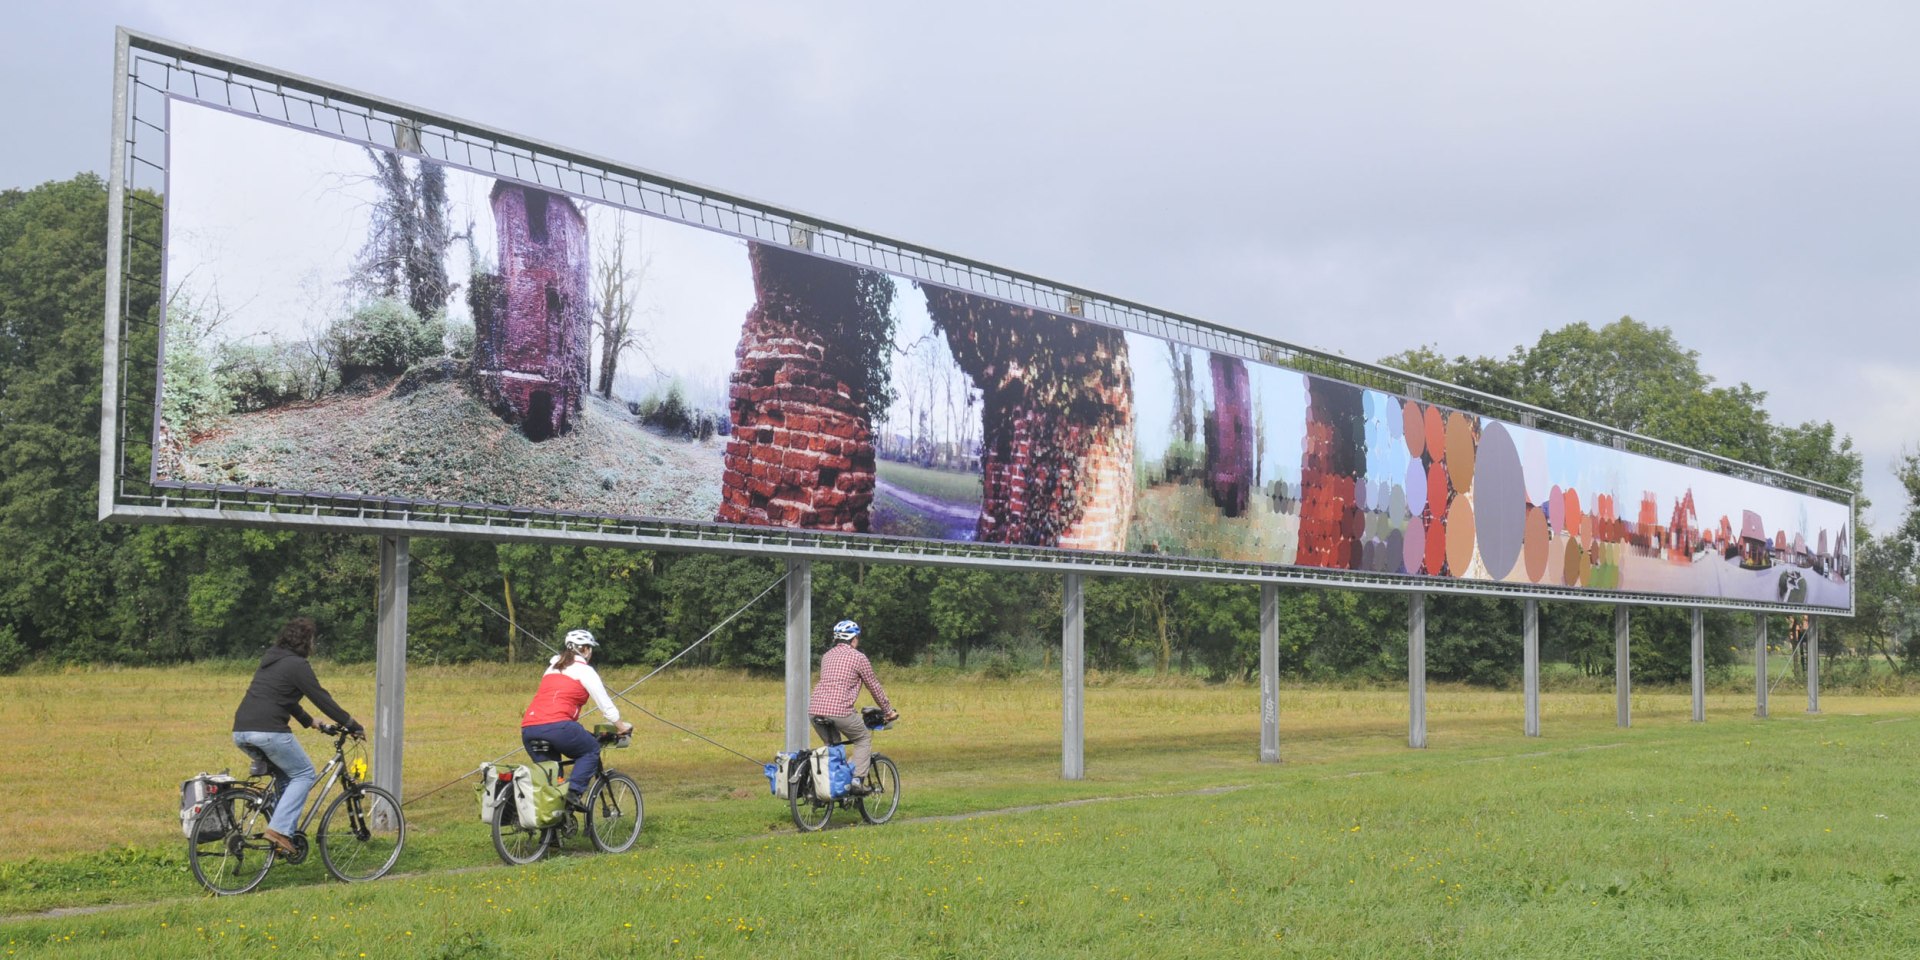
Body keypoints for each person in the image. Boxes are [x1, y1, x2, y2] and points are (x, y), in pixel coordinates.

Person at [231, 617, 363, 856]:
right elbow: (321, 698)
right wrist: (352, 724)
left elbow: (283, 698)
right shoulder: (297, 665)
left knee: (287, 778)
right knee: (304, 774)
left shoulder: (271, 659)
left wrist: (310, 722)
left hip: (241, 731)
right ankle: (279, 830)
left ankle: (282, 836)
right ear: (307, 641)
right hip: (269, 732)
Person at [520, 629, 634, 810]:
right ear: (586, 650)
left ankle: (551, 831)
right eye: (590, 649)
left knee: (551, 780)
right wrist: (621, 727)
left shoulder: (551, 668)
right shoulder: (585, 670)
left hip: (529, 728)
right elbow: (605, 705)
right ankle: (573, 792)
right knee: (591, 749)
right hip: (559, 726)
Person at [807, 620, 898, 795]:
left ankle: (835, 786)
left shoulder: (827, 656)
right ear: (854, 638)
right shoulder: (858, 658)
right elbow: (874, 686)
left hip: (815, 709)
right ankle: (856, 780)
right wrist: (888, 711)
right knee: (863, 738)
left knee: (833, 748)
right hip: (839, 710)